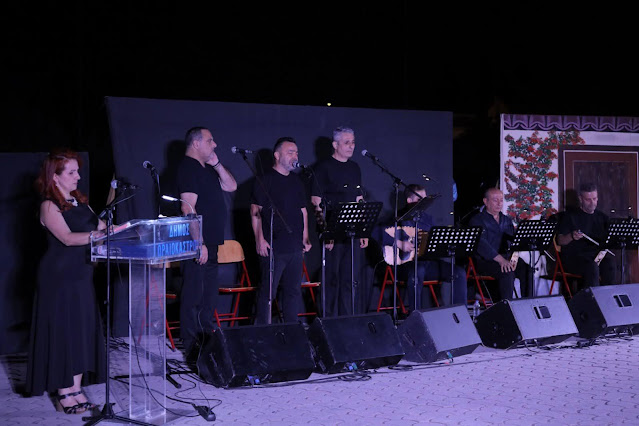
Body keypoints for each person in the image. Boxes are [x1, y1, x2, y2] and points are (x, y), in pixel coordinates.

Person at [26, 149, 107, 414]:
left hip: (82, 275)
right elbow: (68, 238)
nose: (78, 176)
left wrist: (119, 229)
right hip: (58, 277)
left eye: (77, 171)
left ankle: (77, 389)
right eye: (71, 172)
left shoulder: (81, 203)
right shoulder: (49, 205)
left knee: (81, 331)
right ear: (55, 177)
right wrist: (99, 235)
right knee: (64, 332)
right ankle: (64, 393)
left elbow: (102, 227)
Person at [176, 127, 237, 355]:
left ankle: (206, 340)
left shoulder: (208, 169)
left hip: (211, 242)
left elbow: (231, 186)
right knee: (194, 293)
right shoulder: (188, 168)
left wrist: (217, 164)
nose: (215, 144)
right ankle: (190, 344)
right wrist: (198, 243)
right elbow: (188, 207)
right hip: (197, 242)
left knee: (208, 295)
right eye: (210, 141)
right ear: (196, 143)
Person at [251, 137, 312, 324]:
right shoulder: (265, 180)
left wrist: (305, 238)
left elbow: (303, 211)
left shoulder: (297, 181)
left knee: (293, 291)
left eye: (296, 152)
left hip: (295, 246)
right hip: (274, 245)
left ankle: (291, 329)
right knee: (268, 292)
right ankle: (263, 331)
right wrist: (260, 239)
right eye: (290, 152)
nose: (295, 156)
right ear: (277, 156)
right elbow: (255, 211)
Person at [311, 126, 368, 316]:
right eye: (347, 142)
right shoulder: (323, 168)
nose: (351, 146)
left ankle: (347, 320)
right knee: (331, 280)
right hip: (332, 231)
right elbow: (316, 202)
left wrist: (362, 230)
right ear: (335, 145)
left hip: (351, 231)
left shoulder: (355, 168)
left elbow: (359, 200)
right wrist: (326, 231)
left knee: (349, 280)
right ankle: (327, 321)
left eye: (353, 142)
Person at [382, 184, 467, 310]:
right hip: (404, 265)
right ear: (409, 200)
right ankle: (415, 314)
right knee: (418, 270)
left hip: (427, 263)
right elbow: (379, 234)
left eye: (426, 199)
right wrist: (399, 243)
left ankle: (461, 313)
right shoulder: (398, 217)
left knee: (459, 272)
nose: (425, 203)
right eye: (420, 199)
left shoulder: (427, 218)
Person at [468, 188, 531, 302]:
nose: (499, 203)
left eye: (501, 200)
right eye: (495, 200)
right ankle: (506, 307)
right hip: (486, 261)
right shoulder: (477, 220)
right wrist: (501, 260)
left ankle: (527, 303)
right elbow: (482, 245)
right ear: (485, 201)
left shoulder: (506, 220)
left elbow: (514, 243)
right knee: (507, 272)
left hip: (506, 258)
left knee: (527, 270)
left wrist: (514, 258)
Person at [556, 183, 616, 287]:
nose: (592, 203)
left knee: (609, 264)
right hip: (573, 258)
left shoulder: (603, 217)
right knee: (591, 267)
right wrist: (572, 236)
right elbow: (560, 240)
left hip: (595, 257)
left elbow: (608, 240)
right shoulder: (569, 216)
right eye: (588, 200)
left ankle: (606, 296)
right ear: (580, 199)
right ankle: (591, 296)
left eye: (594, 199)